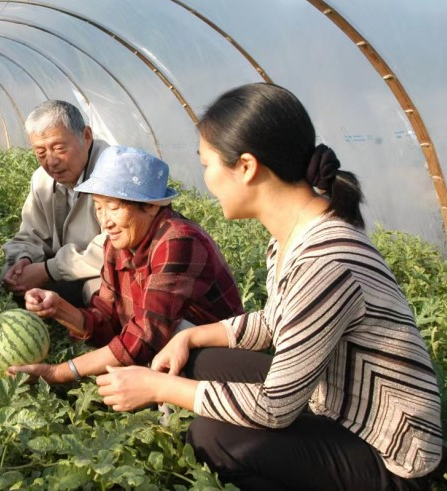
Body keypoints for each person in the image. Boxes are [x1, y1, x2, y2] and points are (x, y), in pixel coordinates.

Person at [95, 83, 442, 490]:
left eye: (206, 164)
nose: (205, 178)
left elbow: (274, 407)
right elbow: (278, 321)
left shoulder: (324, 264)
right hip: (332, 401)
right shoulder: (294, 235)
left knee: (214, 438)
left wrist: (159, 387)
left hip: (392, 452)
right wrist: (189, 340)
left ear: (246, 166)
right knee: (201, 360)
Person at [8, 146, 243, 384]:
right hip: (163, 350)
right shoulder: (116, 246)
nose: (105, 222)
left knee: (165, 338)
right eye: (98, 208)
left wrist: (57, 372)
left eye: (114, 207)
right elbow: (107, 320)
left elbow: (146, 336)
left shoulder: (178, 240)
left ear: (151, 206)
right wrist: (59, 308)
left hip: (215, 360)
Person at [2, 100, 109, 307]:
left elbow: (113, 249)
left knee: (101, 291)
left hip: (99, 271)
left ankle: (90, 326)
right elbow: (30, 235)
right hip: (63, 270)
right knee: (14, 275)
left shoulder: (110, 174)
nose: (50, 162)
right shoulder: (42, 180)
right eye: (40, 153)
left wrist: (48, 270)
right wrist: (25, 259)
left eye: (59, 148)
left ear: (86, 137)